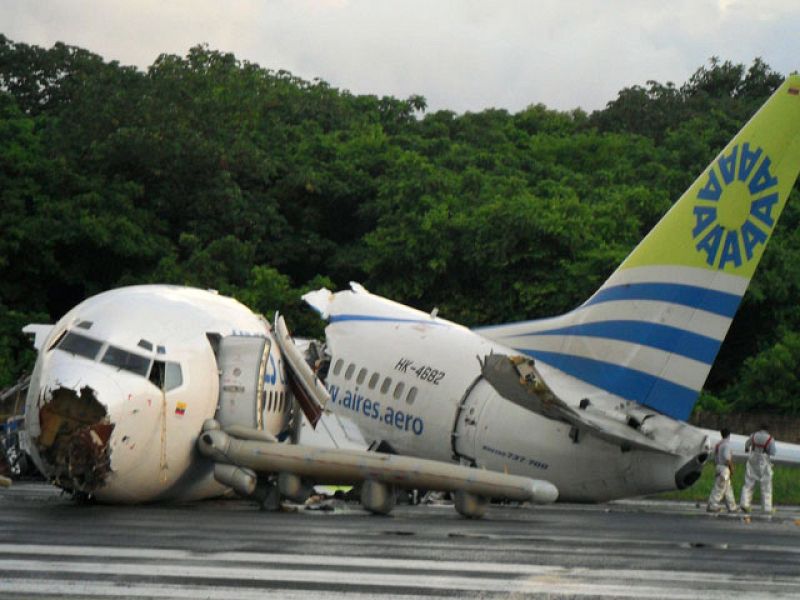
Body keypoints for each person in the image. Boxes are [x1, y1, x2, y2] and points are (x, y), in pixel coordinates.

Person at [740, 424, 777, 514]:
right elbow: (773, 452)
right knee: (766, 485)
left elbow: (747, 444)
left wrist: (747, 450)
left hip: (753, 458)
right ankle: (767, 508)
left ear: (760, 429)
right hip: (763, 460)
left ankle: (745, 504)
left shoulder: (753, 435)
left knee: (749, 482)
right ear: (767, 430)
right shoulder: (770, 439)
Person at [707, 428, 737, 513]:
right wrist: (731, 468)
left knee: (727, 488)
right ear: (729, 435)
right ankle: (712, 505)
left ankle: (732, 507)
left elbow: (715, 458)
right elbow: (727, 458)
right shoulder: (727, 444)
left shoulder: (718, 445)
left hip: (718, 466)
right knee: (720, 488)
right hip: (724, 468)